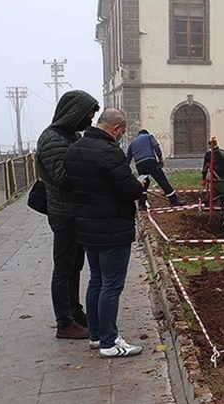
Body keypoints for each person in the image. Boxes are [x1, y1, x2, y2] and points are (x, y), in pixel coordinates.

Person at [63, 108, 146, 358]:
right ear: (117, 129)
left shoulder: (75, 148)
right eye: (121, 132)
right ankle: (110, 343)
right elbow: (129, 189)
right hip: (112, 228)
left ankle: (96, 335)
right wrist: (141, 184)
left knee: (96, 281)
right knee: (111, 286)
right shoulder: (110, 153)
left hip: (87, 227)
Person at [36, 90, 100, 339]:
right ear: (75, 113)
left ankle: (75, 311)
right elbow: (63, 178)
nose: (91, 119)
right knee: (63, 267)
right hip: (64, 213)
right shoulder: (52, 140)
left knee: (75, 265)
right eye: (89, 114)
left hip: (76, 212)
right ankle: (64, 321)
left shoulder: (70, 136)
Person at [127, 129, 182, 209]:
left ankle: (141, 204)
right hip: (151, 161)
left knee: (144, 182)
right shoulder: (149, 136)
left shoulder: (132, 143)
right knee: (162, 180)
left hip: (140, 164)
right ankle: (174, 201)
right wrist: (160, 158)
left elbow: (127, 158)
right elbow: (156, 146)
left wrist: (126, 170)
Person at [201, 136, 224, 205]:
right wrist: (203, 178)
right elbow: (205, 167)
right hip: (214, 176)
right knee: (216, 188)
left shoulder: (222, 153)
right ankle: (218, 201)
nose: (211, 147)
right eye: (210, 146)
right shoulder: (208, 155)